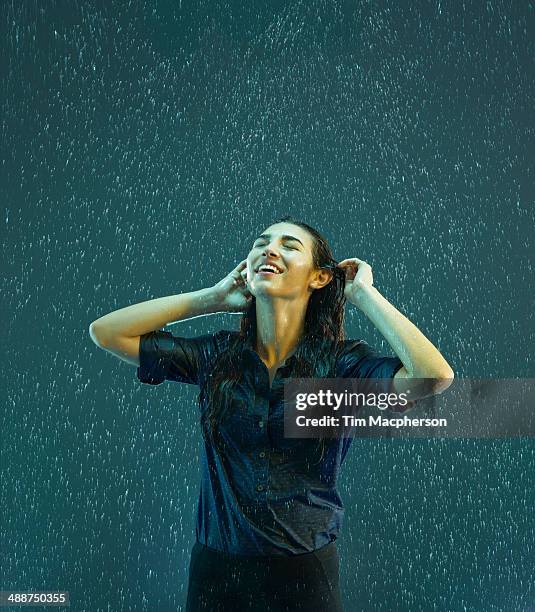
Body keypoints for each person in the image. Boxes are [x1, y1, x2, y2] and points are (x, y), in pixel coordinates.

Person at [89, 215, 454, 611]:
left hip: (304, 577)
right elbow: (107, 332)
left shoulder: (342, 366)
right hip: (216, 576)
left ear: (318, 278)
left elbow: (432, 376)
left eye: (289, 245)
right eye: (261, 242)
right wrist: (210, 299)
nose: (269, 248)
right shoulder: (217, 356)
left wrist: (362, 294)